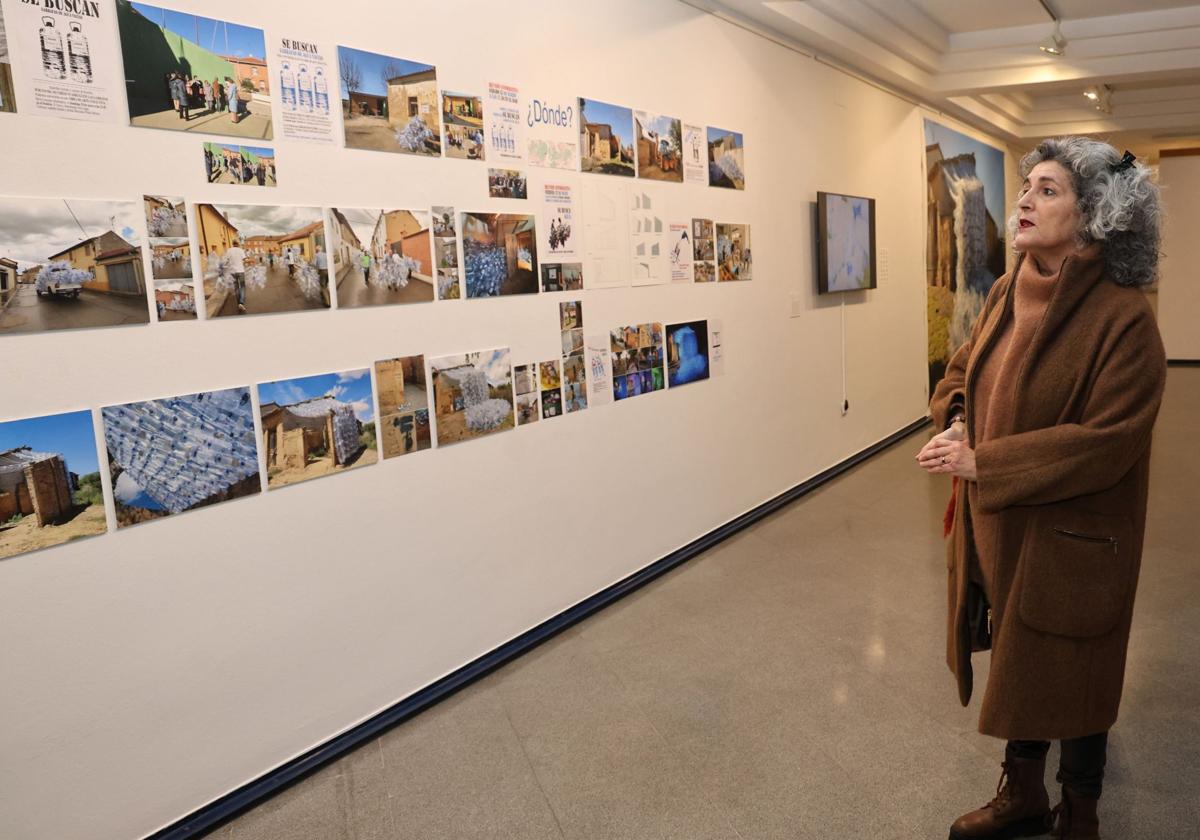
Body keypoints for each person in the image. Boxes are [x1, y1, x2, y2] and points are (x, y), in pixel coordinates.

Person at [919, 137, 1167, 840]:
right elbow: (959, 373)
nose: (1024, 198)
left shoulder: (1125, 319)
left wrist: (986, 465)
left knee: (1076, 666)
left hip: (1077, 537)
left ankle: (1079, 811)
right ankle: (1023, 790)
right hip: (1000, 526)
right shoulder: (1005, 290)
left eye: (1048, 189)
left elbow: (1108, 441)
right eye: (1028, 185)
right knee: (1022, 653)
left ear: (1095, 215)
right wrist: (961, 425)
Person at [224, 238, 248, 314]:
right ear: (238, 244)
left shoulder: (229, 250)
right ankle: (241, 303)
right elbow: (245, 260)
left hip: (232, 272)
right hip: (240, 271)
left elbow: (226, 261)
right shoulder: (241, 250)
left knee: (236, 287)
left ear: (232, 243)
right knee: (243, 286)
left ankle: (238, 303)